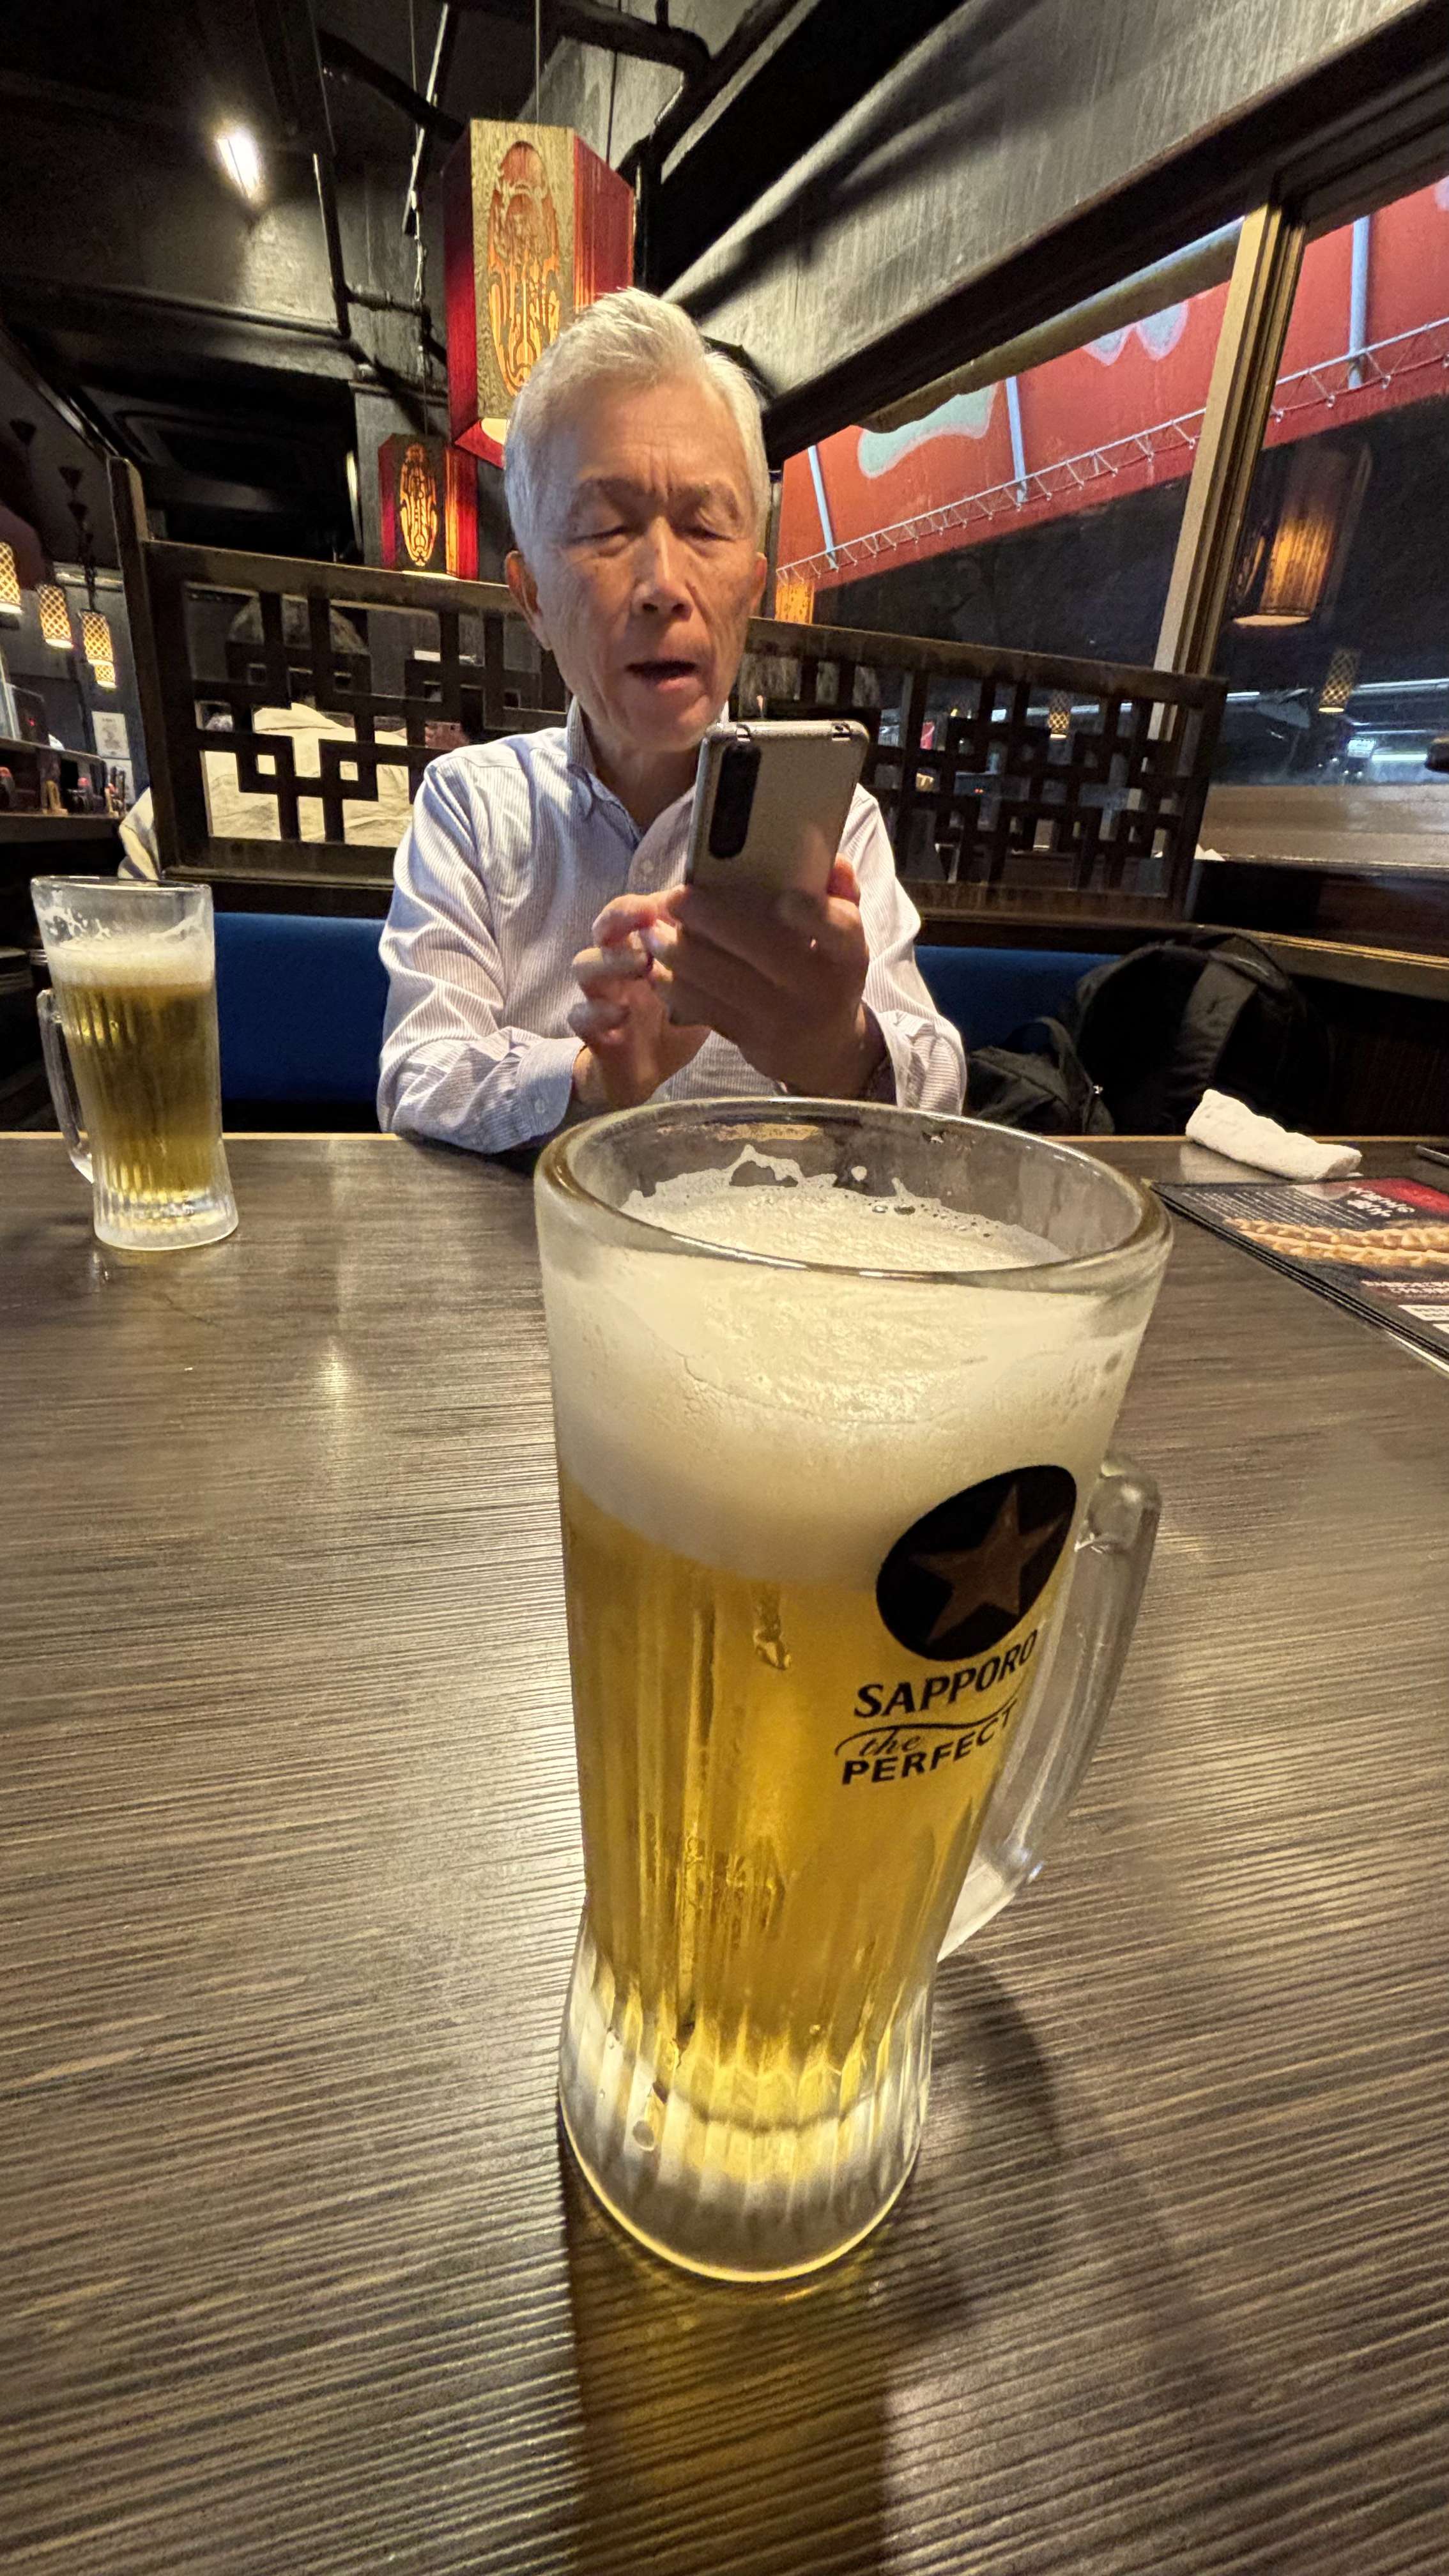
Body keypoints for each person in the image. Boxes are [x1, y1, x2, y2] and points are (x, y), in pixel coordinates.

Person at [376, 290, 964, 1154]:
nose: (663, 584)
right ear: (533, 598)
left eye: (704, 527)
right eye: (606, 529)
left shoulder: (834, 823)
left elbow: (939, 1084)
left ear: (752, 588)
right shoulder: (469, 805)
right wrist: (593, 1079)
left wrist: (838, 1053)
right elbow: (415, 1077)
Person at [119, 602, 417, 879]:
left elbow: (141, 913)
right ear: (350, 681)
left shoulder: (170, 798)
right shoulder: (412, 774)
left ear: (241, 675)